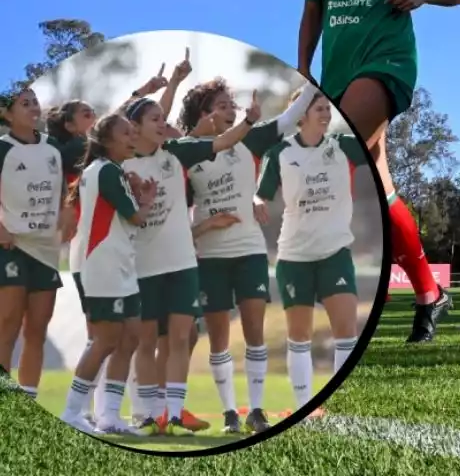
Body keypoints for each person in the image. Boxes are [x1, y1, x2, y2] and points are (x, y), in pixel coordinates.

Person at [299, 0, 460, 343]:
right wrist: (302, 71)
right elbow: (313, 8)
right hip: (336, 74)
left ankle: (321, 315)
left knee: (328, 166)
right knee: (382, 189)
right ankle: (429, 294)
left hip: (387, 63)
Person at [179, 70, 318, 435]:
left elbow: (290, 118)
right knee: (220, 339)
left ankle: (256, 411)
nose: (230, 110)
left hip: (250, 251)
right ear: (203, 113)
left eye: (231, 105)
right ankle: (229, 413)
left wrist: (318, 81)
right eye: (221, 105)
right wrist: (204, 227)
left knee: (255, 333)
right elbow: (173, 220)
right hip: (209, 257)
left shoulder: (249, 142)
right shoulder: (185, 154)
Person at [122, 92, 257, 435]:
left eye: (164, 120)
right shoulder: (119, 166)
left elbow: (221, 141)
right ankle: (147, 414)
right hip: (143, 266)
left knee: (183, 338)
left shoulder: (175, 154)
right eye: (155, 120)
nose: (164, 125)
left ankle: (175, 415)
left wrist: (250, 121)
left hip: (182, 264)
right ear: (135, 128)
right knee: (147, 341)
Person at [254, 88, 363, 411]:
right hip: (294, 257)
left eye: (328, 108)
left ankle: (341, 406)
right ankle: (304, 407)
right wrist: (256, 203)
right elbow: (262, 194)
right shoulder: (281, 152)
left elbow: (374, 139)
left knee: (346, 332)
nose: (326, 113)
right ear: (300, 114)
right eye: (319, 108)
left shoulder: (344, 147)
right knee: (299, 336)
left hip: (335, 253)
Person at [59, 114, 157, 435]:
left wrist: (138, 197)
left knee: (129, 337)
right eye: (126, 133)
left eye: (133, 132)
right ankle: (72, 412)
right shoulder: (107, 172)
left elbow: (126, 216)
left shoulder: (110, 171)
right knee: (104, 340)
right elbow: (136, 218)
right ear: (107, 141)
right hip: (102, 264)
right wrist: (145, 201)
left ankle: (109, 416)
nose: (133, 137)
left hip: (119, 265)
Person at [0, 88, 76, 396]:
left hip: (46, 249)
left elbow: (61, 192)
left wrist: (67, 211)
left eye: (34, 102)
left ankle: (28, 398)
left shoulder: (53, 148)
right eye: (24, 103)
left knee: (37, 329)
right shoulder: (3, 149)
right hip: (12, 246)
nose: (33, 108)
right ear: (7, 114)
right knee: (7, 324)